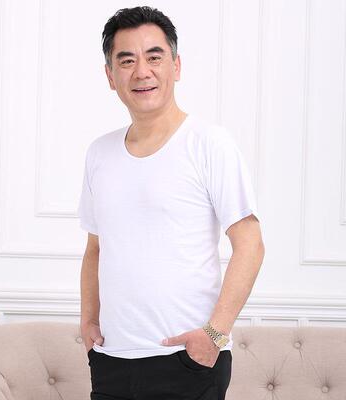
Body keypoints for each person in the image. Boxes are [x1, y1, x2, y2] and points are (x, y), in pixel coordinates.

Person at [78, 6, 265, 400]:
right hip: (111, 360)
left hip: (187, 359)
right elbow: (95, 247)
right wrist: (89, 321)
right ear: (110, 75)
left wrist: (214, 335)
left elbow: (250, 243)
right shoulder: (99, 153)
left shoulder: (209, 143)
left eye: (154, 57)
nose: (141, 71)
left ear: (175, 66)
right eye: (126, 60)